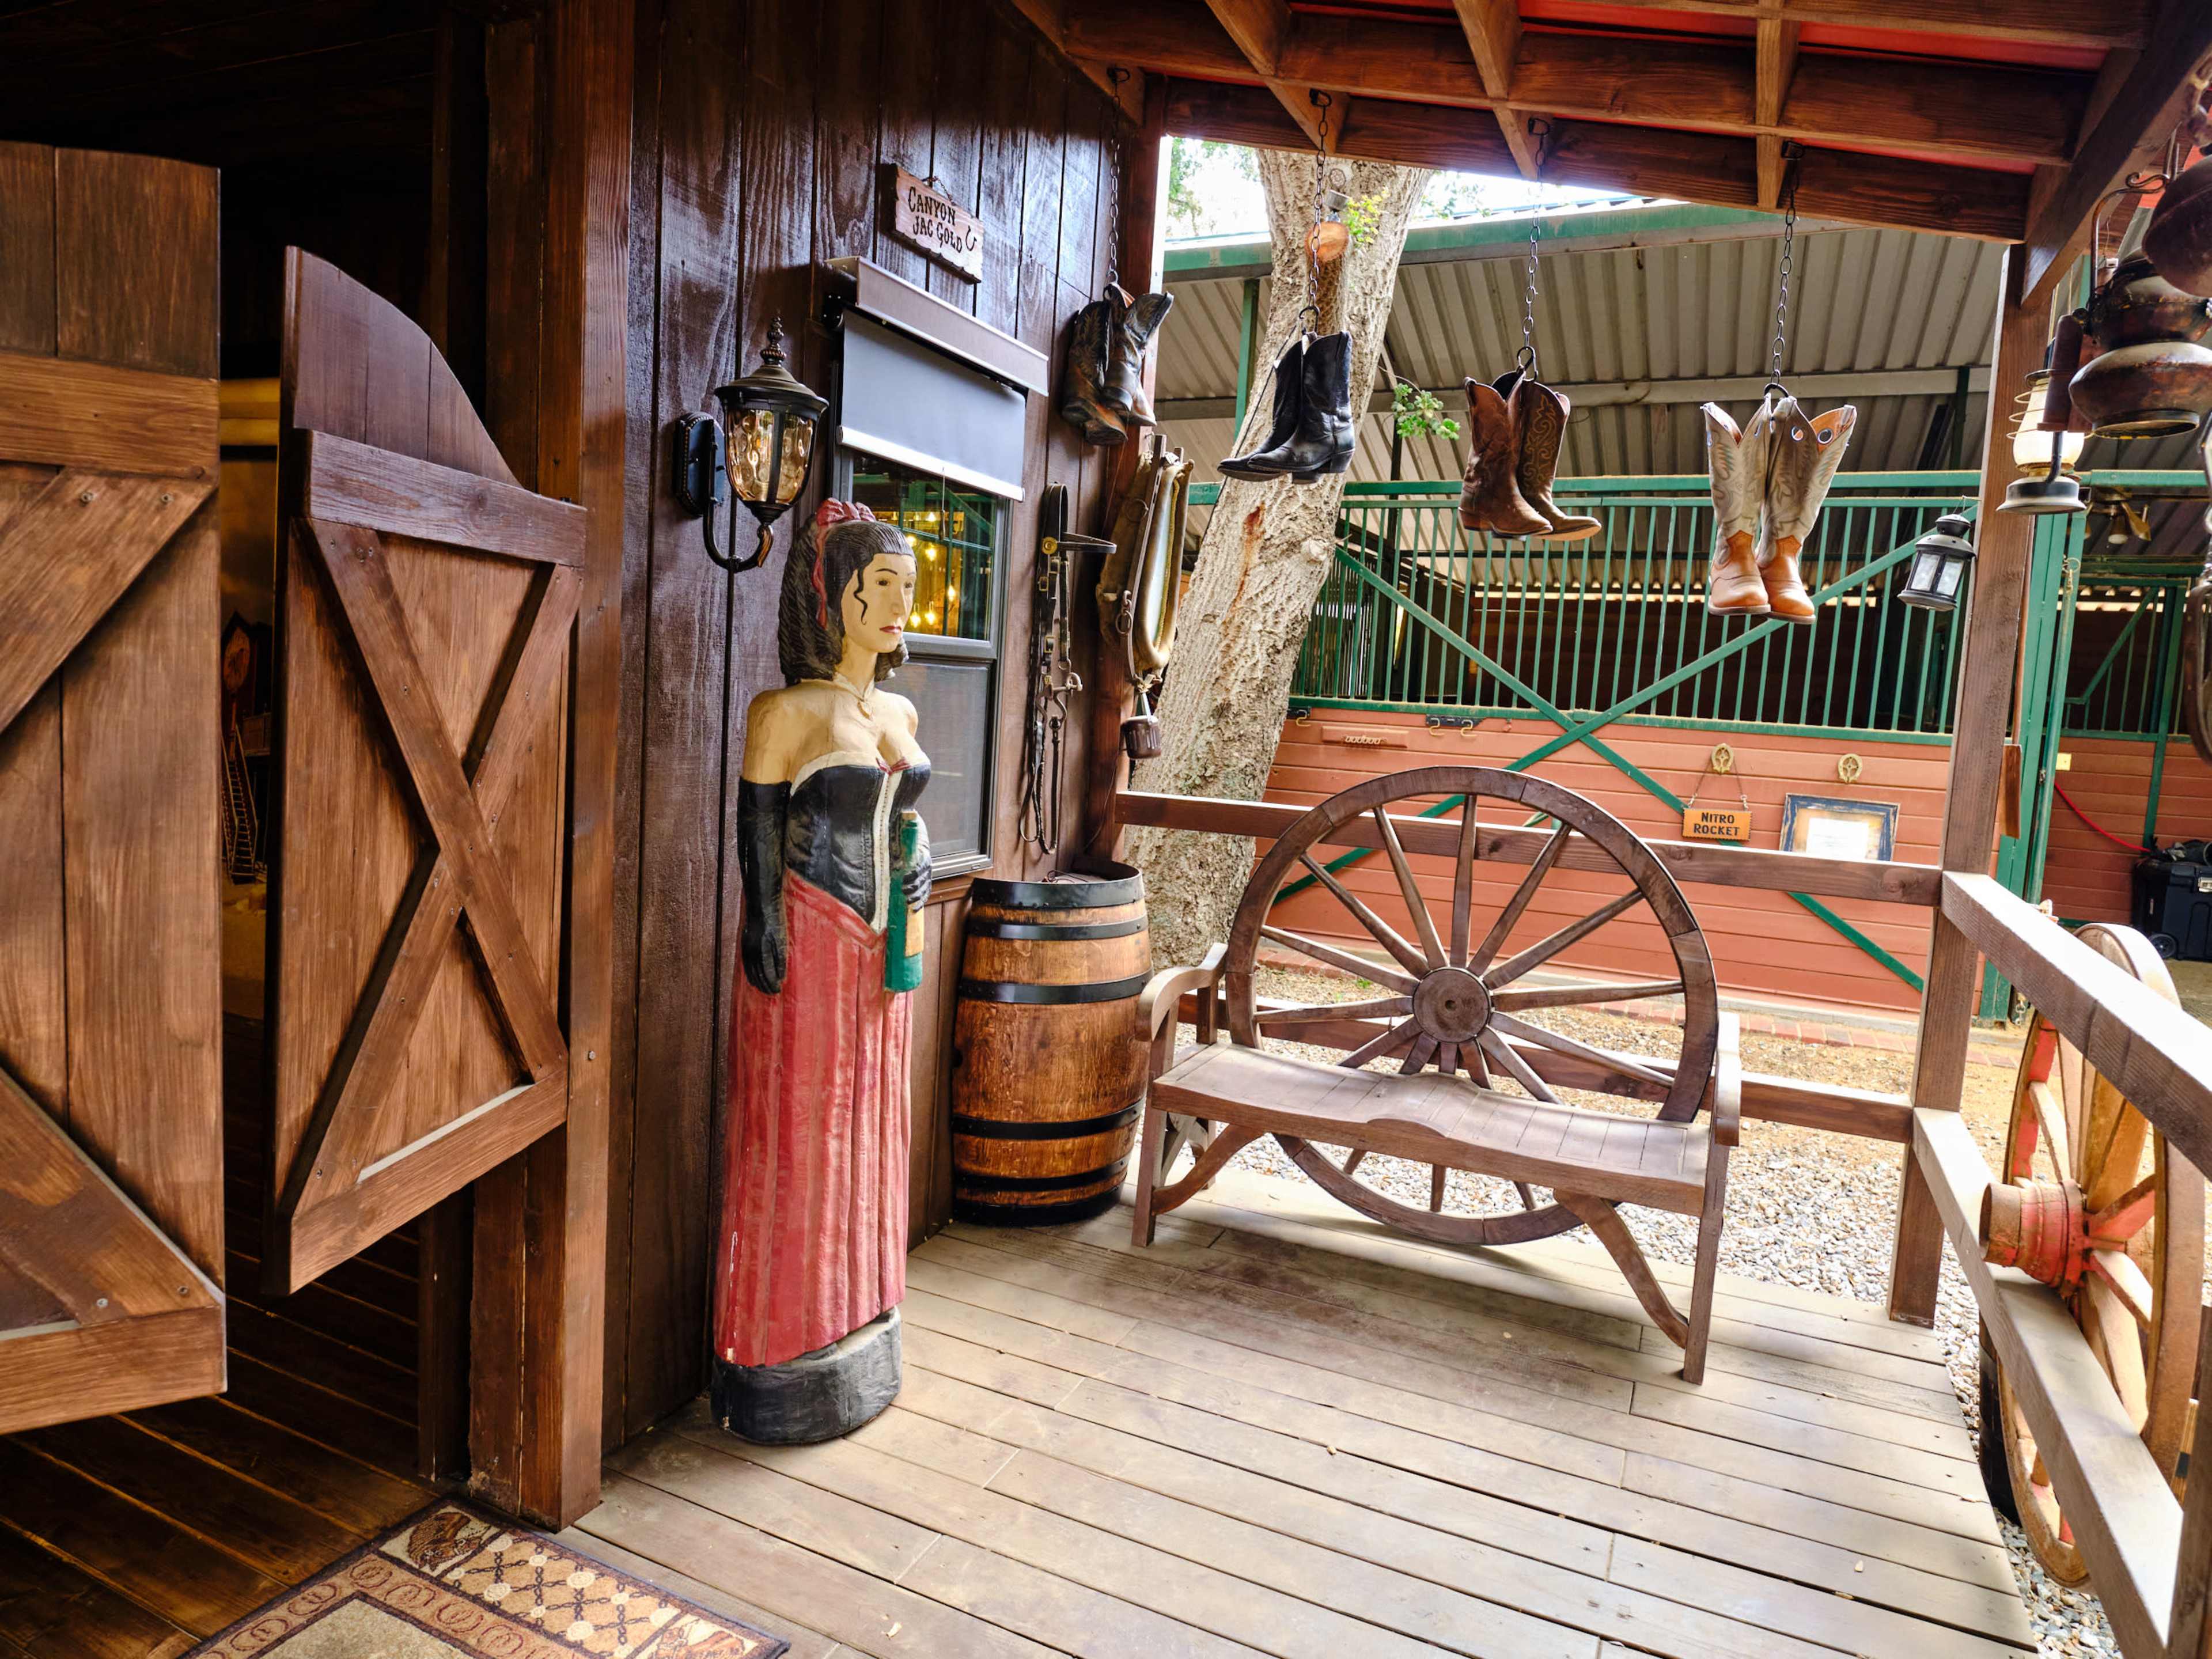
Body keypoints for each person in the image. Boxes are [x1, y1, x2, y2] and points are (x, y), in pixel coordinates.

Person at [711, 498, 931, 1442]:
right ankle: (781, 1338)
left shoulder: (901, 707)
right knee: (799, 1131)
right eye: (882, 588)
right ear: (837, 596)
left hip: (886, 951)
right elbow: (755, 826)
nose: (898, 607)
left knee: (873, 1125)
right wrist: (762, 922)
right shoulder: (787, 712)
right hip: (807, 934)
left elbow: (903, 814)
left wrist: (917, 856)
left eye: (907, 590)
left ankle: (864, 1311)